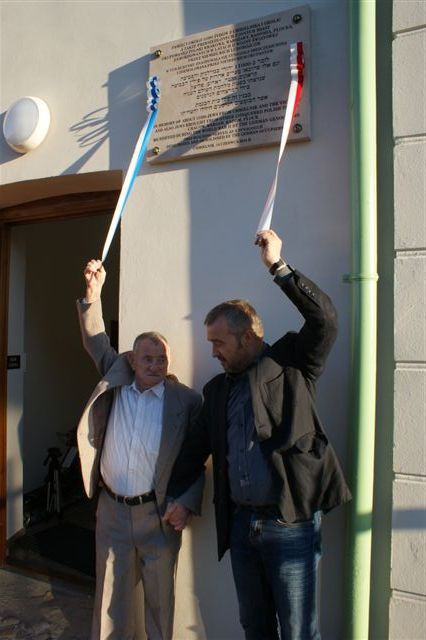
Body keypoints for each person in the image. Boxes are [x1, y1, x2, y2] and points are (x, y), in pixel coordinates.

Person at [164, 229, 351, 640]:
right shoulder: (217, 391)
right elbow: (195, 450)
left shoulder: (292, 365)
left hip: (290, 524)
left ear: (247, 336)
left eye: (219, 342)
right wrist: (178, 497)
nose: (213, 352)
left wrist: (278, 267)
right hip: (242, 524)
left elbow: (325, 320)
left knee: (299, 632)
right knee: (255, 627)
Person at [76, 259, 203, 640]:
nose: (155, 365)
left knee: (160, 602)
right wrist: (93, 295)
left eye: (162, 359)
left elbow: (197, 457)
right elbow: (96, 340)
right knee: (109, 598)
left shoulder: (186, 401)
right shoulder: (117, 377)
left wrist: (186, 502)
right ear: (132, 360)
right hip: (112, 510)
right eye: (148, 358)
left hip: (158, 514)